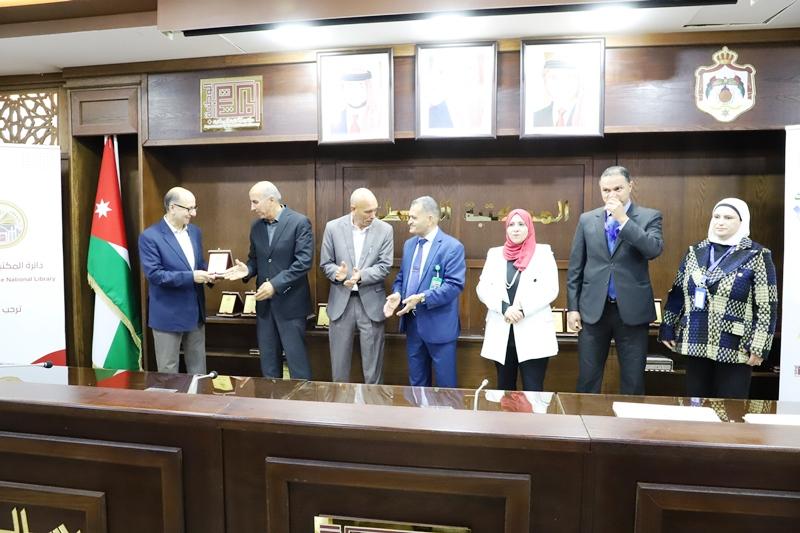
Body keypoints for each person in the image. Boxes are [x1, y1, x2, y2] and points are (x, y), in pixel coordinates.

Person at [659, 198, 778, 399]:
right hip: (695, 336)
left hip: (735, 343)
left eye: (728, 217)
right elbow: (678, 292)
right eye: (716, 216)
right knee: (696, 405)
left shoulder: (757, 254)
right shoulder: (695, 251)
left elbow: (767, 306)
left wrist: (759, 346)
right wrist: (668, 326)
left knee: (731, 408)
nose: (720, 222)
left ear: (742, 221)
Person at [567, 166, 663, 395]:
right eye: (606, 190)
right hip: (593, 310)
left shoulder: (649, 216)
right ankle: (585, 417)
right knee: (588, 378)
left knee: (633, 379)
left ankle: (630, 419)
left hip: (631, 311)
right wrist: (573, 308)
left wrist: (623, 220)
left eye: (618, 189)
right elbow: (576, 267)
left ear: (630, 186)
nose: (612, 195)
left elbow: (653, 249)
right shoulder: (587, 219)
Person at [224, 181, 313, 379]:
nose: (251, 207)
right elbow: (255, 259)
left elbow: (303, 263)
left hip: (291, 306)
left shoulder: (299, 222)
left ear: (271, 200)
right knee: (269, 366)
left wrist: (274, 285)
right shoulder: (256, 227)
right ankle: (271, 400)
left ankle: (302, 400)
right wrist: (247, 269)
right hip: (265, 308)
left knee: (297, 366)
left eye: (255, 202)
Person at [384, 196, 465, 388]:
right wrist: (397, 294)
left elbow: (454, 285)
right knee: (417, 384)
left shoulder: (452, 247)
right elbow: (402, 278)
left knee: (446, 387)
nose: (409, 221)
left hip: (440, 326)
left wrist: (422, 298)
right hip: (413, 325)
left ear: (430, 219)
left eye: (413, 217)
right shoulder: (409, 245)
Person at [476, 209, 559, 391]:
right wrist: (505, 308)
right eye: (511, 224)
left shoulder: (543, 252)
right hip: (502, 329)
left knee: (533, 389)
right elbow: (483, 288)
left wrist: (522, 310)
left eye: (521, 224)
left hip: (533, 329)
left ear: (529, 227)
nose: (516, 229)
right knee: (505, 389)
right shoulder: (495, 254)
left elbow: (551, 289)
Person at [320, 188, 393, 384]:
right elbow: (326, 263)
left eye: (375, 210)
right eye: (368, 211)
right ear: (353, 209)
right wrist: (337, 273)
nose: (373, 215)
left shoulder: (385, 230)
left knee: (373, 372)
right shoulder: (333, 228)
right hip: (341, 303)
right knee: (339, 369)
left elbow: (385, 266)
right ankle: (340, 403)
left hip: (371, 303)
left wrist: (361, 276)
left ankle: (373, 404)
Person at [138, 186, 214, 374]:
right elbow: (155, 275)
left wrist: (214, 274)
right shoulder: (150, 237)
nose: (193, 213)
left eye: (195, 207)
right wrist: (192, 277)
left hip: (195, 313)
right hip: (168, 315)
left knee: (198, 369)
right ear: (172, 208)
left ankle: (197, 396)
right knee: (168, 371)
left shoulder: (195, 232)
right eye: (189, 209)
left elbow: (198, 264)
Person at [532, 55, 582, 127]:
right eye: (554, 77)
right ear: (545, 82)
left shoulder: (588, 116)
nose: (561, 83)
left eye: (569, 76)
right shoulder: (535, 118)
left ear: (579, 81)